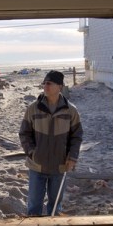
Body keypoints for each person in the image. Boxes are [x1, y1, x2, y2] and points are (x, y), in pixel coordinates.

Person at [19, 70, 83, 216]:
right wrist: (32, 153)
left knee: (55, 208)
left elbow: (77, 136)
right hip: (37, 166)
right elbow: (24, 133)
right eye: (44, 83)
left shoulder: (71, 111)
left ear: (60, 86)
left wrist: (72, 157)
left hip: (60, 166)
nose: (45, 86)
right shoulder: (33, 108)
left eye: (49, 83)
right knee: (34, 206)